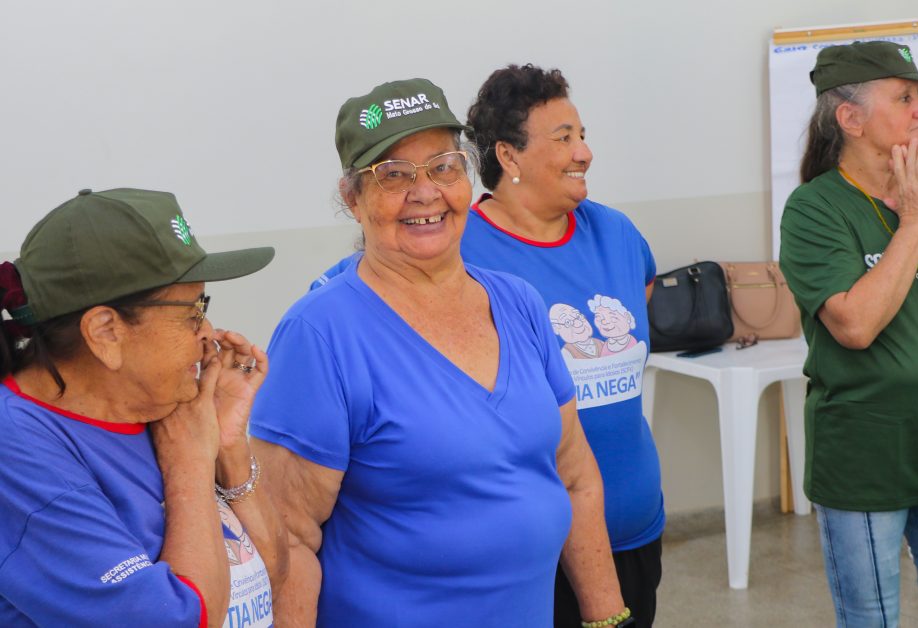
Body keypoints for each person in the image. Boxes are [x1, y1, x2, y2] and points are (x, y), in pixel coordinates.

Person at [249, 78, 634, 627]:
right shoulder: (320, 333)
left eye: (443, 167)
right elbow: (288, 538)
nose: (424, 192)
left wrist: (607, 618)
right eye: (394, 176)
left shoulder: (517, 302)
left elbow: (574, 475)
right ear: (352, 198)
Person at [0, 188, 287, 627]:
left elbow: (270, 575)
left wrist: (227, 447)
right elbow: (174, 620)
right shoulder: (18, 449)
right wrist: (190, 465)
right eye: (193, 311)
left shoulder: (161, 407)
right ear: (105, 332)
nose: (209, 333)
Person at [460, 64, 664, 628]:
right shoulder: (464, 252)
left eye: (582, 135)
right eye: (564, 138)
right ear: (509, 156)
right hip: (531, 553)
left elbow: (640, 296)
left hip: (635, 534)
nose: (585, 152)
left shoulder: (616, 233)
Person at [779, 41, 918, 626]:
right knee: (873, 619)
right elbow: (856, 324)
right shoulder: (814, 210)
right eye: (906, 98)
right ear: (851, 118)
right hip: (865, 458)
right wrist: (913, 220)